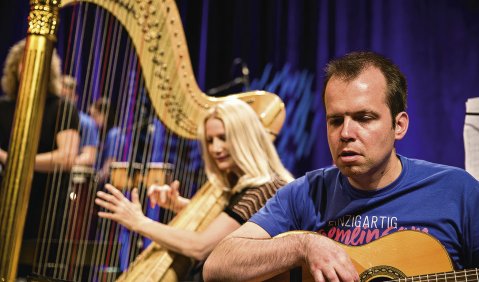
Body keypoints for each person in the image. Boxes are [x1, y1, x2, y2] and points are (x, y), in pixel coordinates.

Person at [203, 51, 479, 282]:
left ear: (399, 125)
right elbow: (217, 265)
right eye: (335, 120)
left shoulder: (456, 190)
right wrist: (304, 246)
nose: (345, 132)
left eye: (364, 117)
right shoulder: (306, 193)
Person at [94, 98, 293, 269]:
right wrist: (178, 204)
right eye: (209, 140)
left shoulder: (262, 190)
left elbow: (200, 247)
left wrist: (139, 221)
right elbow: (236, 222)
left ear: (244, 138)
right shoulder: (255, 185)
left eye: (223, 138)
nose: (215, 148)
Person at [0, 39, 80, 277]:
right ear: (16, 67)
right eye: (26, 61)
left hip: (48, 208)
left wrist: (13, 159)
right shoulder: (3, 107)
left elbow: (66, 157)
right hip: (5, 202)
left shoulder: (62, 107)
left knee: (40, 271)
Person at [60, 75, 99, 166]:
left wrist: (64, 162)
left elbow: (89, 156)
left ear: (75, 97)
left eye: (68, 97)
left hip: (71, 174)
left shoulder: (86, 123)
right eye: (61, 97)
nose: (64, 102)